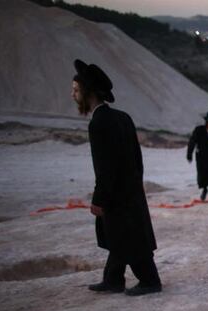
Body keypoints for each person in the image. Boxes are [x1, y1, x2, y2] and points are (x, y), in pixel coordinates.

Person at [72, 59, 162, 297]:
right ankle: (113, 279)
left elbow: (105, 166)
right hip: (129, 189)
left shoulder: (99, 123)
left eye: (76, 90)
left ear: (88, 93)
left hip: (116, 193)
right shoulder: (122, 117)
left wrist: (99, 198)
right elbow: (136, 158)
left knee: (128, 237)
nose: (73, 95)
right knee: (119, 236)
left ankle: (150, 280)